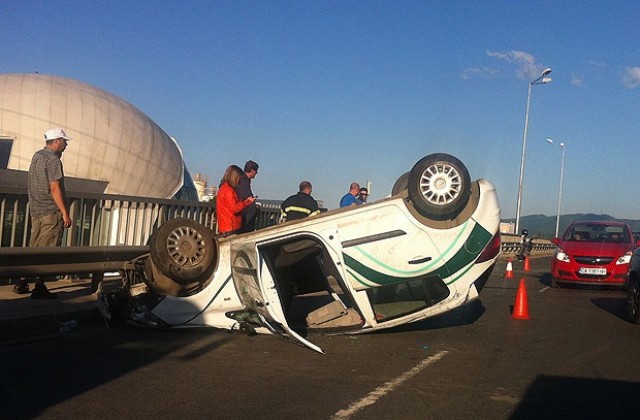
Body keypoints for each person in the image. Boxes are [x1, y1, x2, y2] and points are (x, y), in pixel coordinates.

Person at [22, 128, 73, 299]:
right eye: (64, 141)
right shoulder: (53, 161)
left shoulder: (37, 156)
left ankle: (22, 281)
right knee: (47, 250)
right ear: (57, 141)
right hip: (51, 211)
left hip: (36, 209)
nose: (66, 145)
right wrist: (65, 212)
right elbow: (54, 187)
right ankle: (39, 287)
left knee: (33, 248)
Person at [217, 165, 256, 236]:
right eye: (238, 178)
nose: (239, 180)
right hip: (231, 227)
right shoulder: (229, 190)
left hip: (226, 226)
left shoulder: (224, 188)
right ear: (234, 177)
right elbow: (234, 208)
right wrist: (247, 202)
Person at [235, 160, 259, 233]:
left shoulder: (242, 178)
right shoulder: (244, 180)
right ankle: (247, 231)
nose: (256, 173)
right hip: (241, 207)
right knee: (253, 208)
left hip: (239, 206)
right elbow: (247, 195)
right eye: (256, 171)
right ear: (252, 171)